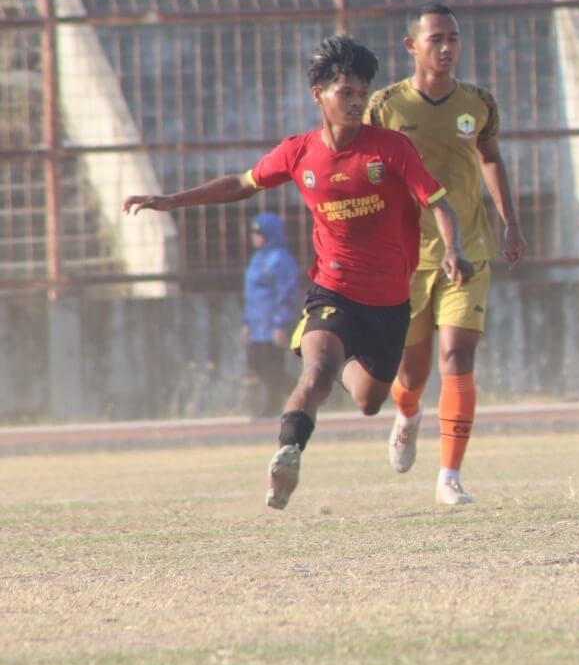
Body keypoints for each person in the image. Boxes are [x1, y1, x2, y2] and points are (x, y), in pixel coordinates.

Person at [124, 35, 472, 509]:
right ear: (319, 95)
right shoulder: (299, 152)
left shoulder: (391, 149)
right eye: (344, 93)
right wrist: (173, 200)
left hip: (389, 301)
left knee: (369, 400)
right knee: (315, 371)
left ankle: (371, 387)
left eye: (361, 94)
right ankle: (288, 452)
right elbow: (243, 183)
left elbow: (439, 202)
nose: (355, 102)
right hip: (332, 290)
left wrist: (452, 248)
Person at [366, 3, 526, 507]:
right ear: (412, 46)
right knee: (411, 372)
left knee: (457, 354)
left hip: (469, 250)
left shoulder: (478, 103)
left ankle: (449, 476)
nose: (446, 47)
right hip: (406, 256)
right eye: (435, 38)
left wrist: (511, 222)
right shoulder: (385, 106)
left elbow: (491, 159)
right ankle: (408, 415)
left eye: (453, 38)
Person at [241, 211, 299, 418]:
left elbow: (286, 293)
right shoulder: (257, 258)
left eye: (258, 231)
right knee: (257, 363)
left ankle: (275, 407)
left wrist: (280, 324)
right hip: (257, 325)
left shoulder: (280, 259)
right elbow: (251, 293)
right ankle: (302, 394)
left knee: (273, 366)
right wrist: (246, 322)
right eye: (252, 231)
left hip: (273, 325)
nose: (254, 235)